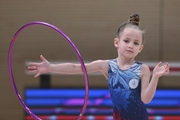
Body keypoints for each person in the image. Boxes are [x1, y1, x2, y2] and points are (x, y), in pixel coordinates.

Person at [28, 14, 170, 120]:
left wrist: (155, 77)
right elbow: (76, 68)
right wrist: (50, 67)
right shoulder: (107, 66)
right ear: (116, 42)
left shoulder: (142, 69)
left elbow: (145, 99)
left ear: (140, 48)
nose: (131, 45)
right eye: (126, 41)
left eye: (136, 43)